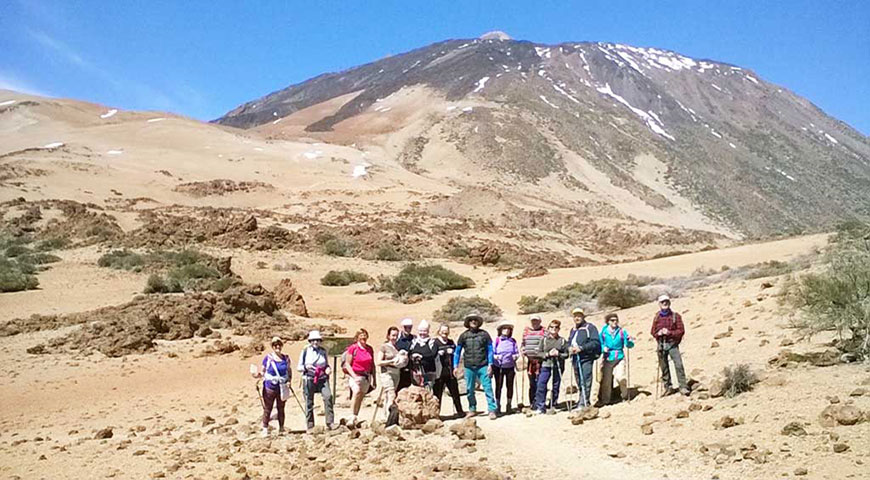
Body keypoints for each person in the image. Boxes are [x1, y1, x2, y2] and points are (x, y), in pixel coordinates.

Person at [453, 313, 498, 420]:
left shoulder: (484, 334)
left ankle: (492, 410)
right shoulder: (464, 336)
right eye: (471, 320)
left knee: (488, 388)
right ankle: (472, 409)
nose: (473, 321)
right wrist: (455, 366)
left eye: (475, 320)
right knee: (469, 389)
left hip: (483, 365)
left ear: (478, 322)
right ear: (468, 322)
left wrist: (490, 364)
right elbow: (457, 351)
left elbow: (490, 349)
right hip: (468, 366)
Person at [651, 294, 689, 396]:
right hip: (661, 345)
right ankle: (668, 387)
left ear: (669, 302)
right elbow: (652, 332)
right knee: (664, 367)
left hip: (672, 344)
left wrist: (669, 333)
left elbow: (681, 331)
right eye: (662, 302)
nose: (665, 303)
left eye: (666, 301)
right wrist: (658, 334)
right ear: (659, 304)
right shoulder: (656, 317)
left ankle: (683, 387)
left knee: (679, 365)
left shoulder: (676, 316)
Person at [297, 330, 334, 431]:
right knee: (309, 401)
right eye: (313, 340)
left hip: (322, 378)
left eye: (317, 340)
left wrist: (328, 369)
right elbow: (299, 367)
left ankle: (330, 422)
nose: (315, 342)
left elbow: (326, 364)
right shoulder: (305, 351)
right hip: (309, 378)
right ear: (310, 341)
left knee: (328, 396)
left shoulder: (323, 351)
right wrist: (306, 367)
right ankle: (310, 425)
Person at [253, 336, 291, 436]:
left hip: (282, 386)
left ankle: (281, 428)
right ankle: (265, 428)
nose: (277, 346)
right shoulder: (268, 358)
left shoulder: (286, 358)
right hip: (270, 387)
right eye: (275, 345)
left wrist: (289, 381)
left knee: (281, 408)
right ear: (272, 347)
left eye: (279, 344)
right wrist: (257, 375)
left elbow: (289, 371)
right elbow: (263, 371)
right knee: (268, 408)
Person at [597, 313, 635, 405]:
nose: (615, 322)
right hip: (607, 358)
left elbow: (629, 345)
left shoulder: (622, 332)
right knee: (606, 380)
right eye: (612, 320)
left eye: (616, 320)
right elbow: (599, 343)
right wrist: (603, 348)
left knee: (620, 377)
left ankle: (625, 395)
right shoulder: (603, 332)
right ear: (608, 322)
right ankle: (606, 400)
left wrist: (630, 341)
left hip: (619, 357)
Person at [568, 307, 601, 408]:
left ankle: (584, 402)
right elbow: (570, 342)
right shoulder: (573, 330)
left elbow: (595, 342)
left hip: (586, 358)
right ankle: (583, 400)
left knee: (586, 379)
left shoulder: (590, 327)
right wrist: (569, 348)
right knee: (579, 380)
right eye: (575, 316)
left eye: (579, 316)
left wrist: (582, 348)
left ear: (583, 316)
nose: (577, 318)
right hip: (575, 359)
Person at [534, 319, 569, 413]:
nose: (554, 329)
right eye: (552, 327)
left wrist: (559, 354)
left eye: (556, 327)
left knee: (556, 385)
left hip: (558, 365)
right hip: (546, 365)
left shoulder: (562, 341)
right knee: (541, 384)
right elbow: (538, 353)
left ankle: (553, 404)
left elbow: (567, 354)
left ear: (559, 329)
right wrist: (548, 354)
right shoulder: (544, 340)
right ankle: (540, 406)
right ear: (548, 328)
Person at [344, 328, 376, 424]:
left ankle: (355, 416)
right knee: (356, 392)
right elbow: (347, 364)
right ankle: (351, 416)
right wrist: (354, 376)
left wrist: (374, 379)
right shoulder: (353, 348)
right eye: (361, 336)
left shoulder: (369, 349)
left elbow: (372, 364)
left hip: (366, 376)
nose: (363, 338)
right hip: (355, 375)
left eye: (365, 336)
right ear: (357, 337)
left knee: (361, 396)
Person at [375, 326, 407, 421]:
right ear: (388, 336)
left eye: (396, 335)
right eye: (393, 335)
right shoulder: (384, 347)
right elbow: (379, 362)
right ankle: (389, 417)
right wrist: (392, 361)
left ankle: (384, 415)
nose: (394, 337)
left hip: (396, 373)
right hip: (386, 373)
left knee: (389, 395)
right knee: (391, 393)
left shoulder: (397, 348)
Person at [433, 324, 464, 417]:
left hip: (450, 371)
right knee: (437, 394)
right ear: (439, 331)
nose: (444, 333)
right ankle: (436, 414)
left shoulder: (451, 342)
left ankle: (460, 411)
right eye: (443, 331)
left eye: (446, 331)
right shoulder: (435, 342)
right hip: (439, 372)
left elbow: (457, 354)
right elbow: (432, 354)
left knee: (455, 392)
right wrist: (438, 353)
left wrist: (453, 352)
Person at [492, 320, 519, 414]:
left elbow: (516, 351)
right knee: (498, 386)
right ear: (500, 330)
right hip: (498, 366)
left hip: (510, 366)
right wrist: (495, 356)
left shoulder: (513, 341)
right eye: (504, 328)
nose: (506, 330)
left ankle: (509, 405)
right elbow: (492, 352)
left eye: (508, 328)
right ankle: (497, 406)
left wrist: (516, 356)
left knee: (509, 386)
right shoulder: (497, 340)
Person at [521, 315, 547, 407]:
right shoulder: (526, 331)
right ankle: (533, 402)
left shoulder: (544, 331)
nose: (534, 322)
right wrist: (523, 350)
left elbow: (547, 343)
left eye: (536, 321)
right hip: (530, 361)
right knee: (532, 382)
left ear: (540, 321)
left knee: (540, 382)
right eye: (533, 321)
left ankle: (540, 402)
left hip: (541, 361)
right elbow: (523, 343)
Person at [409, 320, 438, 388]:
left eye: (425, 331)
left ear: (428, 331)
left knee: (428, 390)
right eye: (421, 331)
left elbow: (433, 354)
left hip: (429, 371)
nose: (422, 333)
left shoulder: (432, 342)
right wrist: (413, 356)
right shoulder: (414, 342)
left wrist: (421, 356)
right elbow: (409, 352)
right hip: (416, 372)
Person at [396, 318, 416, 392]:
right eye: (406, 327)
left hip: (410, 368)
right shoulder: (397, 339)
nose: (408, 329)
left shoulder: (414, 339)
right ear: (402, 327)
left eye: (410, 327)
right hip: (398, 369)